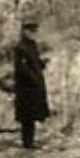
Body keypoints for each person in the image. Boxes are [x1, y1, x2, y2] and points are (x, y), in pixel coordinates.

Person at [13, 20, 51, 150]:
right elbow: (21, 67)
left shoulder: (31, 45)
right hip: (26, 88)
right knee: (27, 116)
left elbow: (33, 62)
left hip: (33, 86)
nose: (34, 34)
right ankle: (27, 142)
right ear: (25, 31)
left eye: (35, 31)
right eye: (32, 31)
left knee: (32, 114)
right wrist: (33, 78)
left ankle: (30, 141)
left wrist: (41, 63)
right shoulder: (20, 47)